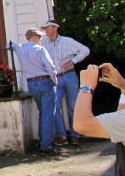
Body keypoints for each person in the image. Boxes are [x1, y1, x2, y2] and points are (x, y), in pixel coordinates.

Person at [40, 19, 90, 146]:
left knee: (74, 106)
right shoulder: (44, 43)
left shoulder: (67, 41)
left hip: (69, 76)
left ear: (55, 28)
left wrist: (73, 61)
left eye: (47, 28)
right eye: (45, 28)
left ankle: (75, 135)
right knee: (55, 107)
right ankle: (61, 135)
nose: (45, 30)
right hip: (55, 77)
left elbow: (85, 50)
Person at [10, 28, 59, 156]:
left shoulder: (20, 48)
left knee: (42, 112)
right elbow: (50, 66)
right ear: (35, 37)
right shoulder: (40, 49)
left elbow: (9, 44)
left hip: (31, 83)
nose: (41, 39)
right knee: (48, 113)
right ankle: (47, 145)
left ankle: (43, 140)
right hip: (45, 81)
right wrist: (54, 79)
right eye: (39, 37)